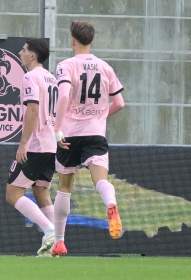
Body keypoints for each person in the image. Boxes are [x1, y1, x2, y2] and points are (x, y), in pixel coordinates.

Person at [51, 21, 125, 257]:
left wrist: (57, 129)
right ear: (91, 41)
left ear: (72, 40)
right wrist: (101, 117)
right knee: (100, 180)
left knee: (64, 187)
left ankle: (59, 242)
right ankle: (111, 204)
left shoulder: (66, 65)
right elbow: (120, 103)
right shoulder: (105, 67)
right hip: (95, 133)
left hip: (70, 135)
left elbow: (63, 96)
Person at [6, 38, 57, 257]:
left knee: (13, 192)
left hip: (36, 145)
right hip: (51, 145)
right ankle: (57, 242)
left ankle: (50, 231)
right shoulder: (51, 78)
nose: (20, 52)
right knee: (41, 192)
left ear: (33, 56)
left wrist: (24, 143)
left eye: (24, 50)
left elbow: (33, 111)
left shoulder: (30, 77)